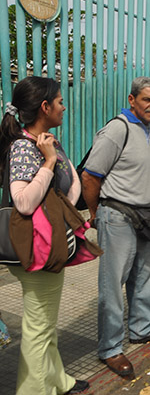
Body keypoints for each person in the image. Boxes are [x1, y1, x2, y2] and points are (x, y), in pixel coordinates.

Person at [0, 76, 89, 394]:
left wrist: (58, 160)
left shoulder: (47, 140)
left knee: (45, 324)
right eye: (60, 101)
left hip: (50, 243)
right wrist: (50, 162)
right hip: (35, 248)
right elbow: (23, 201)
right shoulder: (25, 147)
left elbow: (71, 189)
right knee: (38, 330)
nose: (64, 107)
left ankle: (58, 381)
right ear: (45, 106)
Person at [82, 77, 150, 378]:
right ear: (132, 99)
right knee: (113, 285)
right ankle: (110, 348)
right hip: (117, 215)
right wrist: (96, 212)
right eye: (147, 100)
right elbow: (91, 176)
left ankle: (143, 329)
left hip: (147, 217)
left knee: (145, 276)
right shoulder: (116, 130)